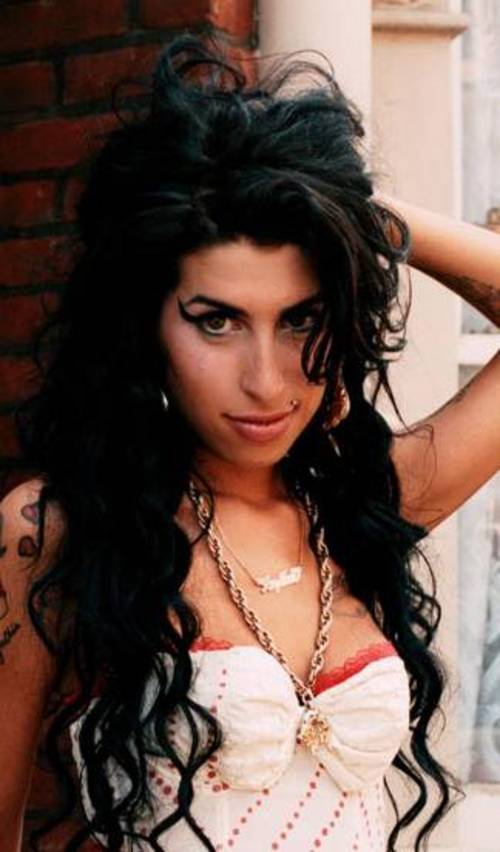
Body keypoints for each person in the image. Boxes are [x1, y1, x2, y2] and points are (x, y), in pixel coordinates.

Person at [0, 33, 499, 852]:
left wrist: (349, 210)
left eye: (300, 320)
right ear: (144, 327)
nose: (267, 380)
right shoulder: (58, 528)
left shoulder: (365, 504)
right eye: (217, 322)